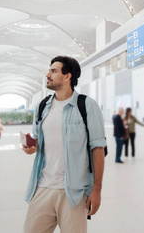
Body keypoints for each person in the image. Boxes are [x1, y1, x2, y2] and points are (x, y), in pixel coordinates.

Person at [22, 56, 106, 233]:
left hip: (73, 193)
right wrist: (31, 146)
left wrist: (97, 190)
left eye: (53, 71)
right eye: (49, 70)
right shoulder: (42, 106)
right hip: (42, 187)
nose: (48, 74)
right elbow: (37, 140)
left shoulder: (87, 106)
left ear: (67, 76)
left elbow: (98, 148)